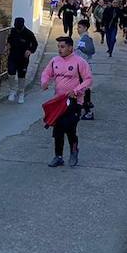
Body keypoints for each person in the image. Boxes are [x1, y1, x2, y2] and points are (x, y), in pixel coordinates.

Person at [40, 36, 92, 168]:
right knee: (58, 129)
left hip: (74, 101)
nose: (59, 49)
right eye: (58, 47)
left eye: (62, 47)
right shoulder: (54, 61)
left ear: (70, 47)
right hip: (59, 102)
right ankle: (58, 156)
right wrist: (44, 82)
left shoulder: (80, 62)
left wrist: (76, 90)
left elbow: (88, 80)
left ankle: (74, 151)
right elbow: (46, 73)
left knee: (70, 128)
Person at [5, 16, 38, 103]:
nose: (17, 29)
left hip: (23, 58)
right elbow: (9, 40)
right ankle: (12, 90)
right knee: (11, 72)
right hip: (12, 56)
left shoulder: (28, 33)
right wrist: (8, 45)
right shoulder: (12, 31)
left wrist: (30, 51)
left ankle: (21, 92)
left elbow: (35, 44)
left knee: (21, 76)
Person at [75, 19, 97, 120]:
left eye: (79, 27)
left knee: (84, 89)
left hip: (84, 68)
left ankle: (88, 111)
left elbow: (91, 50)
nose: (78, 29)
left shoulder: (85, 39)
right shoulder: (83, 38)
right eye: (77, 27)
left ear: (85, 28)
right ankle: (85, 106)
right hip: (82, 67)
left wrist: (79, 50)